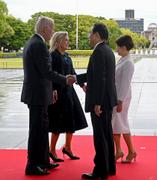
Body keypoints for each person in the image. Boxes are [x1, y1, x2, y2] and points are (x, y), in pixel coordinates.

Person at [21, 16, 75, 176]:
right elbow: (47, 72)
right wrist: (65, 79)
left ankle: (43, 161)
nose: (52, 32)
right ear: (45, 28)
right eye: (51, 29)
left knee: (42, 129)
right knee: (37, 131)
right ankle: (32, 165)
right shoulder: (38, 45)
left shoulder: (33, 42)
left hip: (38, 94)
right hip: (37, 95)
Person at [77, 23, 117, 180]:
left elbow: (101, 79)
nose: (88, 36)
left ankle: (100, 171)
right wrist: (77, 79)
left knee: (100, 137)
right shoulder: (108, 51)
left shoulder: (98, 52)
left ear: (97, 34)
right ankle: (109, 168)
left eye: (90, 33)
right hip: (108, 99)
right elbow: (95, 75)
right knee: (107, 134)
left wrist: (97, 103)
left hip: (100, 102)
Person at [48, 31, 88, 162]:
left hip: (69, 93)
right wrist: (53, 89)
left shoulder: (67, 57)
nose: (68, 42)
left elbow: (73, 74)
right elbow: (50, 75)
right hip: (58, 94)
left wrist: (82, 85)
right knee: (57, 124)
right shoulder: (52, 56)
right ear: (58, 41)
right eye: (66, 39)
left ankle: (68, 147)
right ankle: (52, 150)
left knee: (71, 122)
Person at [111, 35, 137, 163]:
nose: (116, 49)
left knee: (120, 124)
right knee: (117, 124)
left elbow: (125, 83)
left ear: (124, 47)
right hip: (118, 96)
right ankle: (120, 151)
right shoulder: (123, 60)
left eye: (118, 47)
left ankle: (130, 151)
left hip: (122, 97)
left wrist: (120, 101)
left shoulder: (128, 63)